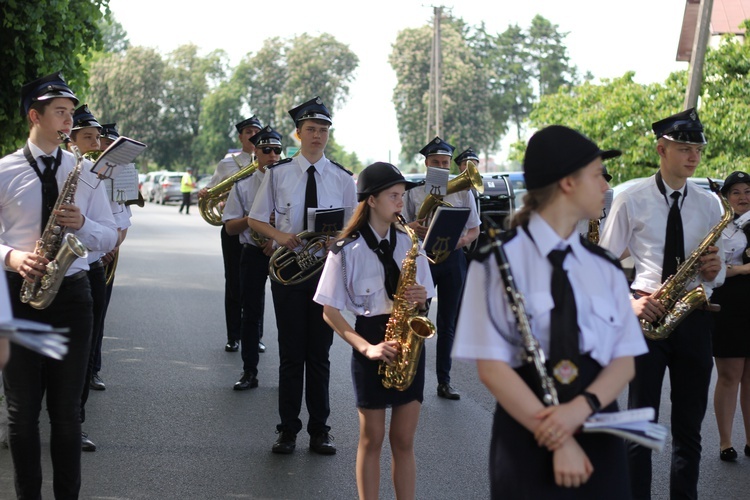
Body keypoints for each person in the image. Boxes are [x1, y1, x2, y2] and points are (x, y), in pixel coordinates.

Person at [453, 125, 647, 498]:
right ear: (568, 183)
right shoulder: (496, 261)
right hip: (528, 439)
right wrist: (560, 440)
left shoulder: (604, 265)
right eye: (597, 175)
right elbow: (492, 368)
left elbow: (625, 359)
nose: (605, 186)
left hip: (600, 435)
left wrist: (577, 411)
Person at [1, 71, 118, 498]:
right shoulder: (4, 170)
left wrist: (84, 224)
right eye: (61, 113)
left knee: (67, 414)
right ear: (35, 115)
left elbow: (109, 234)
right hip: (17, 296)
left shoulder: (84, 172)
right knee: (22, 413)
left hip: (71, 295)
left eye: (71, 114)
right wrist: (12, 257)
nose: (70, 122)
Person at [599, 108, 725, 499]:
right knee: (641, 426)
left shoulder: (709, 204)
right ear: (661, 148)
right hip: (646, 312)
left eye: (698, 149)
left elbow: (716, 273)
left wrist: (715, 271)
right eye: (684, 147)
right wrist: (629, 305)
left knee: (689, 430)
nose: (693, 156)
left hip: (693, 317)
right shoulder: (630, 198)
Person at [314, 161, 434, 499]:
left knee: (404, 440)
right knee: (372, 439)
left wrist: (422, 300)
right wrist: (366, 348)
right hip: (369, 339)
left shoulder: (411, 243)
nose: (401, 203)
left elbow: (425, 302)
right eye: (394, 196)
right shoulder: (345, 250)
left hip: (408, 339)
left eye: (401, 196)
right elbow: (329, 311)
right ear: (371, 200)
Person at [248, 96, 357, 455]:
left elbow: (352, 228)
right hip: (290, 275)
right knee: (292, 354)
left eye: (323, 130)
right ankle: (287, 430)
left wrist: (336, 240)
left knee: (321, 355)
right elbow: (255, 219)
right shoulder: (278, 174)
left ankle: (320, 430)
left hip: (325, 274)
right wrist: (281, 237)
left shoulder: (342, 178)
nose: (318, 135)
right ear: (298, 134)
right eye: (311, 129)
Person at [403, 137, 480, 400]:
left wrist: (460, 240)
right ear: (426, 164)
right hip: (424, 260)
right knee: (418, 318)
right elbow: (399, 227)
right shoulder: (412, 193)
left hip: (453, 259)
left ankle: (444, 381)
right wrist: (413, 227)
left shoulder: (463, 191)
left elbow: (474, 229)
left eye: (445, 163)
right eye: (435, 162)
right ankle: (413, 378)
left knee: (448, 323)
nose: (441, 166)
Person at [222, 126, 281, 391]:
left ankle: (289, 373)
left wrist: (274, 238)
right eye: (266, 150)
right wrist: (252, 220)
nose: (272, 156)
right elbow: (230, 228)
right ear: (255, 152)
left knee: (287, 315)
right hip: (253, 253)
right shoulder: (243, 185)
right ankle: (249, 371)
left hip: (281, 253)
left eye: (277, 151)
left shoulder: (289, 183)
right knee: (250, 313)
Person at [200, 116, 262, 352]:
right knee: (234, 282)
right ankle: (233, 335)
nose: (253, 136)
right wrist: (207, 194)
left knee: (256, 285)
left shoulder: (268, 160)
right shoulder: (227, 164)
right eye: (248, 132)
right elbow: (213, 191)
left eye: (257, 132)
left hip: (260, 230)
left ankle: (256, 335)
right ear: (240, 137)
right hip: (234, 227)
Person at [710, 171, 750, 461]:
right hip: (729, 302)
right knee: (730, 375)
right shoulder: (718, 227)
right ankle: (725, 442)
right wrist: (743, 270)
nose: (743, 197)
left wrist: (734, 269)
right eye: (736, 192)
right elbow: (713, 268)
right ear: (725, 197)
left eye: (748, 191)